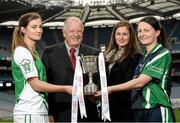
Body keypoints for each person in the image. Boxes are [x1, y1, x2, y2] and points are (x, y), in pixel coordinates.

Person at [96, 16, 176, 122]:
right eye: (139, 31)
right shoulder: (144, 58)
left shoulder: (162, 54)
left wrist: (109, 89)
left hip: (155, 109)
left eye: (146, 30)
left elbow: (140, 82)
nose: (142, 34)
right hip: (139, 110)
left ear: (157, 32)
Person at [11, 12, 72, 123]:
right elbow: (35, 84)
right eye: (34, 27)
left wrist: (47, 112)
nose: (39, 30)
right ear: (23, 29)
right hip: (29, 112)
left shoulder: (33, 52)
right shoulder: (22, 51)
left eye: (40, 27)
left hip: (38, 112)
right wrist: (65, 88)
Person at [41, 16, 101, 122]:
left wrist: (96, 96)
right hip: (61, 114)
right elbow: (45, 85)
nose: (76, 34)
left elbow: (100, 81)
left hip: (89, 114)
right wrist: (49, 113)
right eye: (72, 31)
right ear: (64, 33)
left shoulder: (95, 54)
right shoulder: (49, 53)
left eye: (79, 31)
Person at [104, 21, 141, 122]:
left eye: (125, 34)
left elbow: (129, 83)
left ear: (131, 36)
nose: (121, 37)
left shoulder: (135, 57)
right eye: (118, 34)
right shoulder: (107, 56)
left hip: (125, 110)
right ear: (114, 36)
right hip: (108, 107)